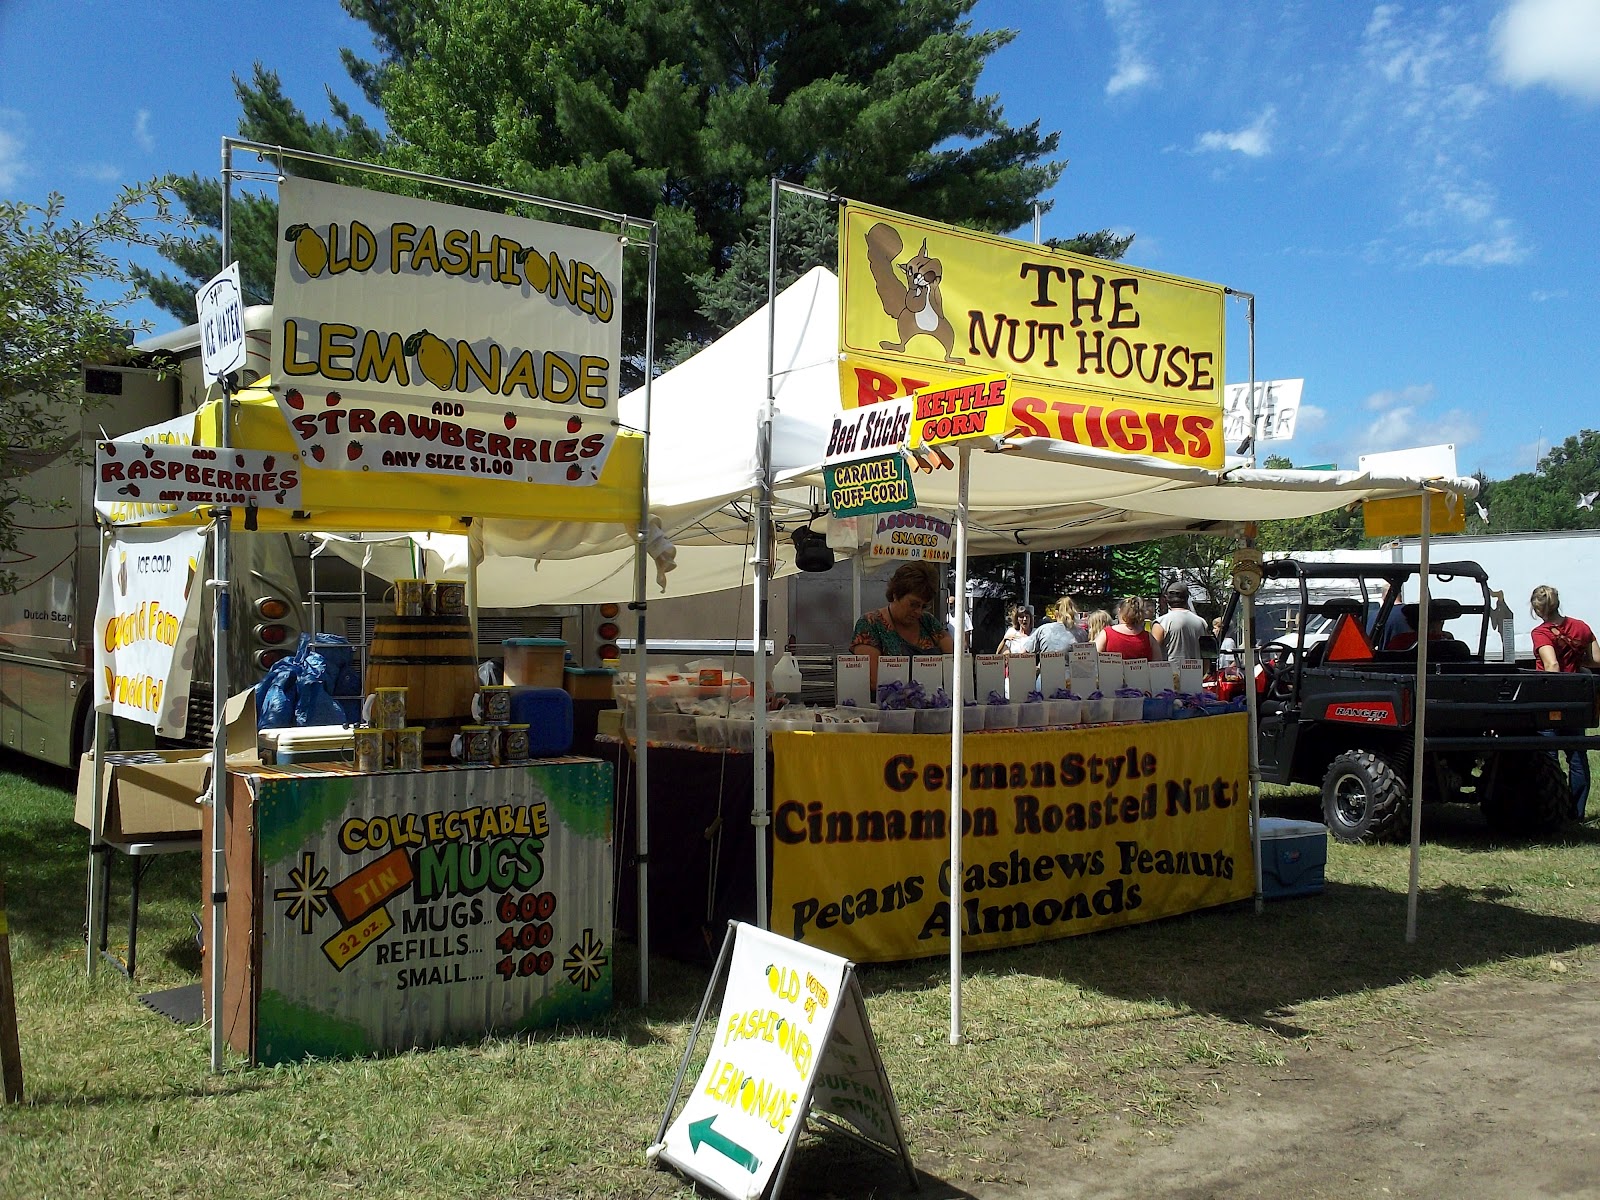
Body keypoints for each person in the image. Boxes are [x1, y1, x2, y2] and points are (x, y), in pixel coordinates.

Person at [1529, 584, 1600, 821]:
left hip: (1550, 698)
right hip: (1576, 698)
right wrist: (1577, 665)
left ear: (1537, 610)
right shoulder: (1581, 627)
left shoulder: (1541, 633)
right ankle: (1577, 812)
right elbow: (1596, 660)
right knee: (1577, 756)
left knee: (1548, 756)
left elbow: (1552, 666)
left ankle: (1551, 809)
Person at [851, 562, 954, 687]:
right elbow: (873, 679)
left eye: (924, 606)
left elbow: (953, 663)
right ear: (895, 594)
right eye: (913, 604)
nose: (918, 611)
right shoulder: (869, 624)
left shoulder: (929, 622)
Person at [1156, 582, 1208, 663]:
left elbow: (1153, 654)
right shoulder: (1201, 622)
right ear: (1187, 598)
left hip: (1169, 674)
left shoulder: (1161, 623)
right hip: (1195, 674)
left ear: (1167, 599)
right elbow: (1206, 655)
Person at [1094, 596, 1157, 661]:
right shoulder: (1148, 637)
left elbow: (1093, 656)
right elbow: (1157, 663)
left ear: (1119, 611)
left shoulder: (1107, 633)